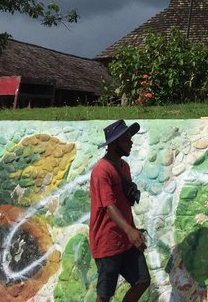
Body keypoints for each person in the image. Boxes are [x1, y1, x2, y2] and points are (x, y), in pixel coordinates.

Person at [90, 120, 151, 302]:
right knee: (105, 294)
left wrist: (132, 230)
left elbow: (123, 202)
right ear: (115, 143)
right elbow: (109, 206)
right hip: (107, 242)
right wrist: (130, 230)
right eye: (126, 139)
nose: (130, 143)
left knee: (142, 281)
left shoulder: (124, 167)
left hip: (126, 240)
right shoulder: (102, 170)